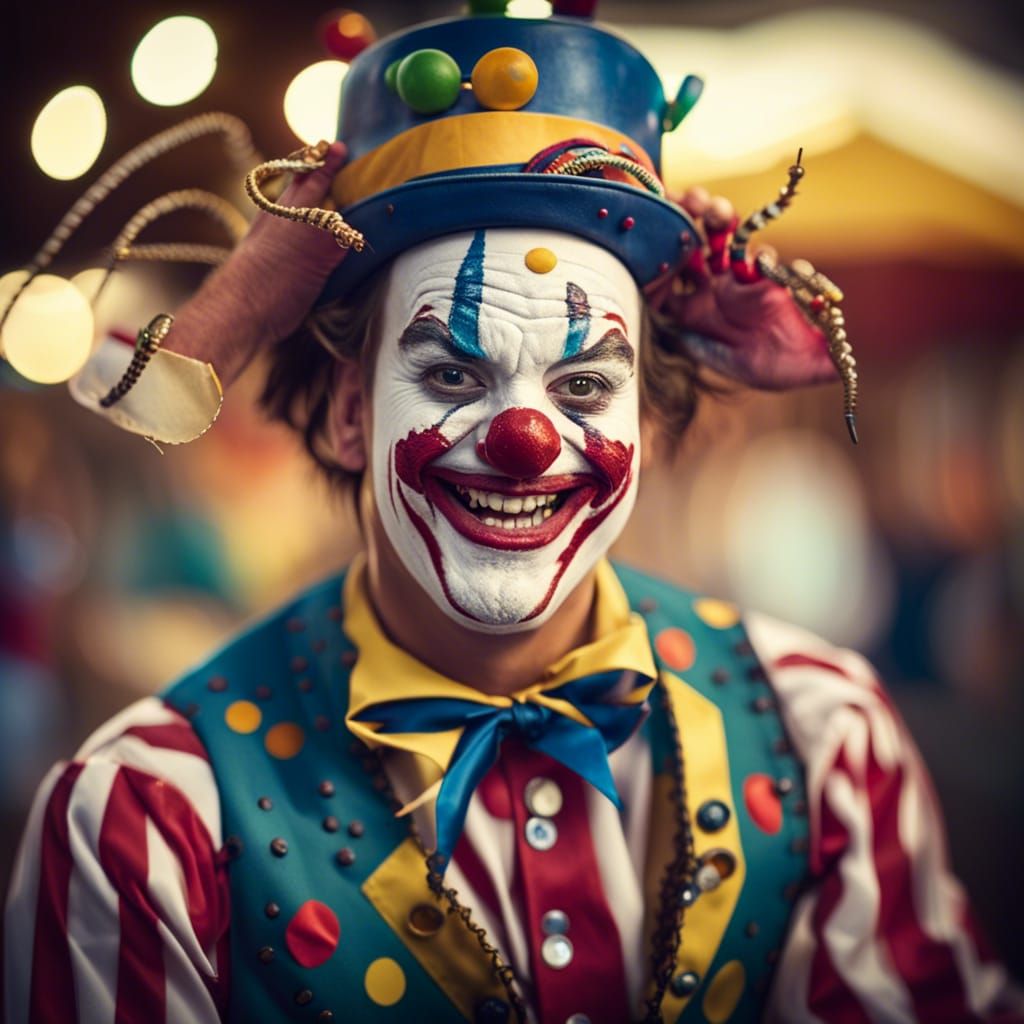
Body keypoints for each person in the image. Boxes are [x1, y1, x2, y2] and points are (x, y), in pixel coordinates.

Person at [5, 5, 1022, 1023]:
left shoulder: (824, 738)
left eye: (584, 387)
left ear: (645, 419)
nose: (524, 440)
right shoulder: (145, 817)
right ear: (353, 412)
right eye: (452, 373)